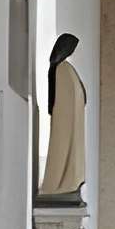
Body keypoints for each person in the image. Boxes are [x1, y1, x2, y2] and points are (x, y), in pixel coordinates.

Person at [37, 31, 87, 200]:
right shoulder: (63, 69)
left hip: (69, 119)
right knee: (62, 149)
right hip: (66, 120)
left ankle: (67, 181)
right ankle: (60, 182)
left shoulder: (65, 68)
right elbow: (68, 97)